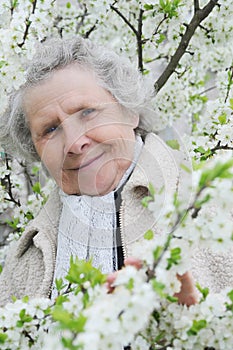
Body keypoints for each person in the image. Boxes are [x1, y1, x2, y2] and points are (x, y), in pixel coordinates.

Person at [0, 36, 227, 307]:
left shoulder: (215, 209)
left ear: (130, 111)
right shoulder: (25, 260)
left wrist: (190, 322)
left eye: (87, 112)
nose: (74, 141)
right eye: (50, 129)